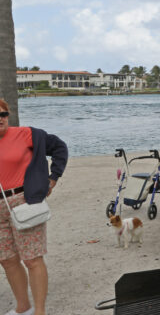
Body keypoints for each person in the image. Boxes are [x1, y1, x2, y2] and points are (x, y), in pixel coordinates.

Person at [0, 98, 68, 315]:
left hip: (23, 202)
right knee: (7, 260)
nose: (0, 119)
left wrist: (53, 178)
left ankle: (39, 311)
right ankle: (23, 308)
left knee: (32, 259)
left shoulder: (27, 134)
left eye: (2, 115)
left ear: (7, 116)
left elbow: (59, 148)